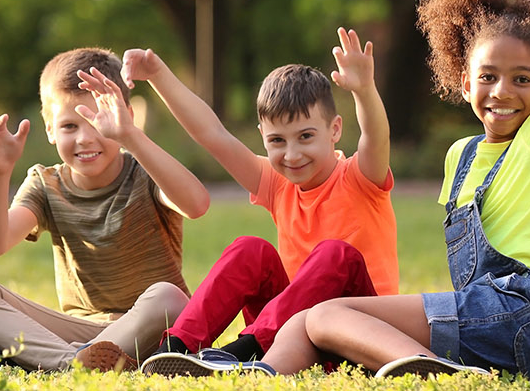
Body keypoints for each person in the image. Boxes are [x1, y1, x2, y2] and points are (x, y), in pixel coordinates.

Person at [234, 0, 530, 380]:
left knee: (327, 314)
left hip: (526, 315)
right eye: (487, 76)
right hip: (481, 326)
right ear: (465, 82)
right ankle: (256, 372)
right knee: (316, 318)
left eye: (522, 79)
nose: (502, 91)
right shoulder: (460, 156)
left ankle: (432, 369)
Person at [129, 28, 398, 376]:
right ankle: (176, 350)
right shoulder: (277, 183)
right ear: (262, 138)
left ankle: (246, 351)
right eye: (277, 141)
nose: (292, 154)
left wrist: (364, 90)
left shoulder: (360, 177)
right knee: (249, 249)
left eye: (305, 137)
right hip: (294, 333)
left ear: (334, 130)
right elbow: (213, 135)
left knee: (336, 254)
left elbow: (376, 137)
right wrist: (157, 75)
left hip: (357, 329)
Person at [0, 48, 209, 372]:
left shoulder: (146, 172)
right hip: (77, 334)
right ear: (50, 129)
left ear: (126, 115)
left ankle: (52, 358)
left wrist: (132, 137)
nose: (85, 138)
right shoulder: (46, 184)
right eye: (70, 125)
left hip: (150, 329)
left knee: (170, 299)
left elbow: (196, 205)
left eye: (98, 120)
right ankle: (72, 363)